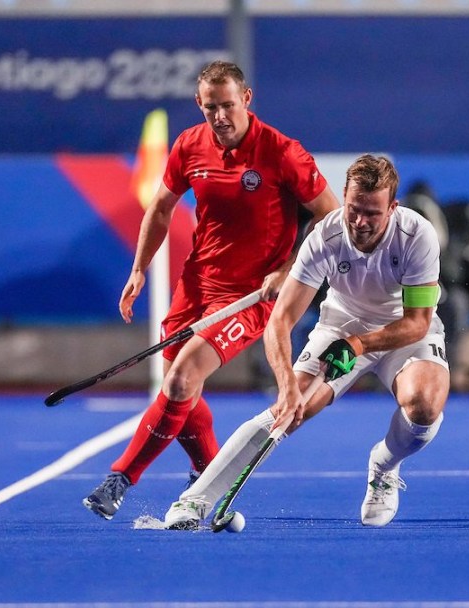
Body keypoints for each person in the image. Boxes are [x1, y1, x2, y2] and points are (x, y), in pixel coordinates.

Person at [82, 61, 339, 520]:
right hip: (196, 283)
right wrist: (139, 269)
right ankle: (207, 483)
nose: (220, 116)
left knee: (181, 378)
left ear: (247, 99)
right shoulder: (189, 145)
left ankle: (118, 479)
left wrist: (288, 268)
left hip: (250, 296)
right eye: (210, 108)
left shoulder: (282, 152)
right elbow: (160, 208)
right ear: (199, 105)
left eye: (227, 105)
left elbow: (330, 216)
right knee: (181, 389)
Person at [161, 154, 449, 529]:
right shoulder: (324, 237)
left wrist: (359, 345)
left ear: (393, 208)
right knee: (288, 412)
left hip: (402, 332)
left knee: (424, 405)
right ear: (344, 196)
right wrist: (286, 388)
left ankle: (384, 465)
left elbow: (417, 324)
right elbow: (279, 322)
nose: (360, 222)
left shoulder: (417, 236)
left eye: (372, 214)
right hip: (340, 323)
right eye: (353, 209)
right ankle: (192, 502)